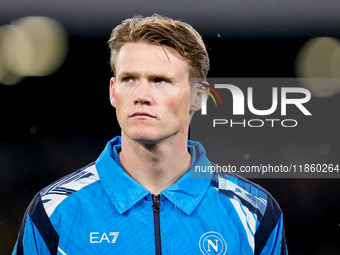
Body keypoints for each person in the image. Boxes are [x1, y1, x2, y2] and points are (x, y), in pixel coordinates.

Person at [12, 14, 287, 255]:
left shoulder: (255, 213)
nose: (141, 96)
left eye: (160, 80)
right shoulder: (54, 211)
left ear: (198, 97)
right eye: (129, 79)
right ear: (112, 91)